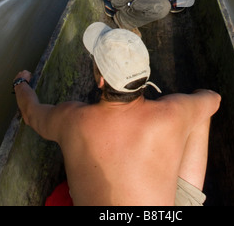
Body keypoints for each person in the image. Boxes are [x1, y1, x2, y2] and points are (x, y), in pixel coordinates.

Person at [13, 23, 221, 206]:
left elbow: (30, 113)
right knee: (201, 113)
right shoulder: (173, 111)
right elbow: (214, 99)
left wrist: (20, 83)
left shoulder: (71, 118)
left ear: (101, 81)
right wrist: (188, 103)